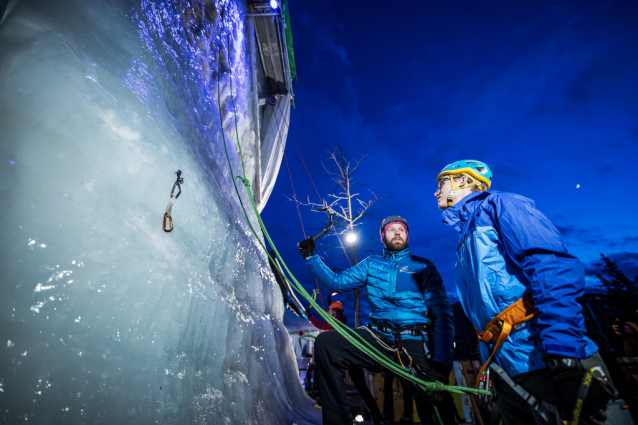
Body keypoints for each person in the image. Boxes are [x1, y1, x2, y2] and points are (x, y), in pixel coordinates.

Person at [434, 159, 625, 425]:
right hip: (505, 368)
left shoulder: (503, 205)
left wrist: (564, 349)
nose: (436, 191)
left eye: (441, 183)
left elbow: (551, 267)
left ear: (463, 181)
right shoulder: (465, 236)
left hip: (543, 358)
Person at [299, 215, 455, 425]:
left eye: (402, 229)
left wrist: (441, 367)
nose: (397, 232)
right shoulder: (372, 264)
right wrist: (311, 257)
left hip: (415, 339)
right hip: (380, 336)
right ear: (383, 237)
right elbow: (337, 283)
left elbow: (442, 314)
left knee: (435, 403)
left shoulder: (423, 267)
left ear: (408, 235)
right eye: (392, 230)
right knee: (327, 344)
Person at [306, 301, 382, 423]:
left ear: (334, 311)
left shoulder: (338, 319)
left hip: (346, 357)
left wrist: (313, 317)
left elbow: (327, 325)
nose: (328, 312)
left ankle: (375, 414)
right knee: (360, 387)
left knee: (340, 380)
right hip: (348, 358)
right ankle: (376, 414)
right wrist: (310, 316)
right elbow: (322, 325)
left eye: (329, 310)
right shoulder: (336, 320)